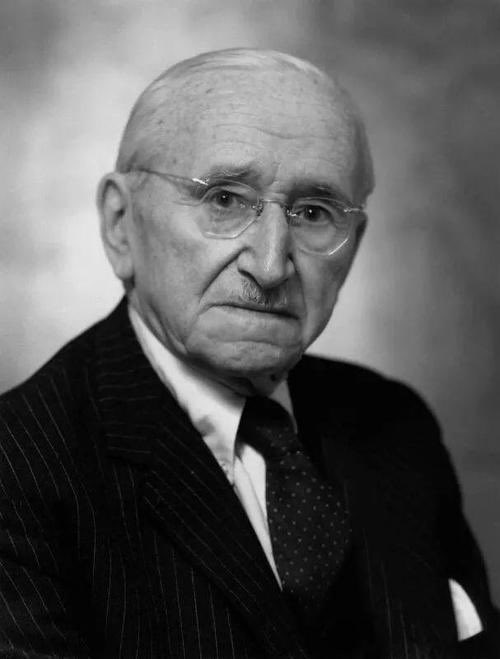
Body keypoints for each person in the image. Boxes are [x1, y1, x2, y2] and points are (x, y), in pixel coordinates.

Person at [0, 48, 497, 659]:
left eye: (313, 213)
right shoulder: (17, 469)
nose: (269, 265)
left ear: (354, 245)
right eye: (225, 200)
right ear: (120, 224)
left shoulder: (395, 424)